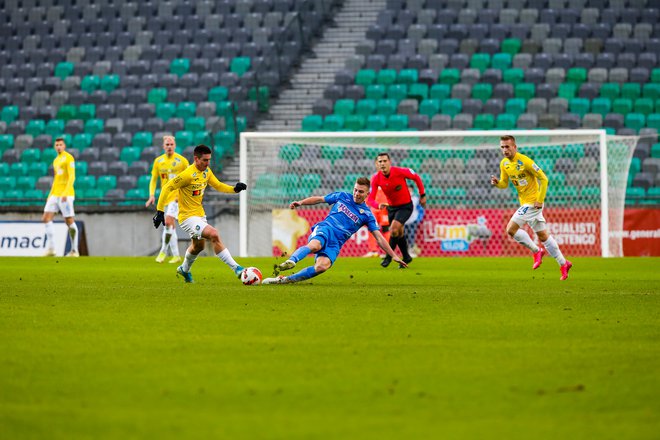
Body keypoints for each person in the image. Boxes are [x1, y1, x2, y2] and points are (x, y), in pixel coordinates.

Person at [262, 177, 407, 285]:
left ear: (367, 194)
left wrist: (393, 255)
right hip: (326, 228)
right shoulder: (342, 196)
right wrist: (300, 202)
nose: (356, 193)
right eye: (355, 190)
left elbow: (379, 237)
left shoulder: (367, 215)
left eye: (361, 192)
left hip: (336, 243)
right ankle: (291, 261)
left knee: (321, 266)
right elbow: (319, 199)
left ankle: (285, 280)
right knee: (315, 245)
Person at [152, 144, 247, 283]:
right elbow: (167, 187)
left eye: (209, 160)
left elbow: (218, 185)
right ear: (196, 159)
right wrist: (160, 211)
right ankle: (237, 268)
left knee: (198, 247)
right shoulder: (187, 175)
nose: (208, 163)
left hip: (199, 215)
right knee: (214, 234)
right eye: (205, 160)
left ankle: (184, 269)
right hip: (187, 217)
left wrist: (234, 189)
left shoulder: (206, 172)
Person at [490, 135, 572, 280]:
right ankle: (563, 263)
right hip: (525, 203)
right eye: (502, 147)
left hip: (533, 202)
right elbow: (504, 184)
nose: (504, 150)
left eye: (507, 146)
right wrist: (497, 183)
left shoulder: (525, 161)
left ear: (515, 147)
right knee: (543, 236)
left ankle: (536, 251)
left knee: (510, 229)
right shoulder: (504, 164)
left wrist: (540, 200)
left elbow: (544, 179)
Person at [367, 152, 426, 268]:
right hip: (392, 208)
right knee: (399, 233)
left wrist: (422, 195)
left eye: (385, 161)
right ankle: (407, 257)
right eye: (380, 161)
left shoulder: (399, 171)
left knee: (393, 229)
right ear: (376, 164)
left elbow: (416, 177)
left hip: (406, 206)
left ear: (389, 162)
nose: (382, 164)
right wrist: (378, 205)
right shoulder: (376, 179)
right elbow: (370, 199)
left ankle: (389, 257)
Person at [145, 135, 189, 264]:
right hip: (164, 198)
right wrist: (152, 195)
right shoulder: (158, 161)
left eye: (171, 144)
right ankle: (176, 255)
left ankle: (163, 251)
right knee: (169, 226)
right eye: (167, 144)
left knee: (168, 222)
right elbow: (153, 179)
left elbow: (191, 177)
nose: (169, 146)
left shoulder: (182, 161)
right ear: (163, 146)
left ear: (175, 146)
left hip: (176, 197)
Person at [42, 137, 79, 257]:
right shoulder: (56, 160)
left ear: (64, 146)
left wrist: (66, 192)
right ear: (54, 146)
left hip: (66, 195)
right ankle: (52, 249)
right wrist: (50, 194)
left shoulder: (69, 158)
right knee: (46, 217)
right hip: (55, 194)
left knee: (69, 221)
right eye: (56, 145)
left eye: (60, 145)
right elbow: (56, 179)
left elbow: (72, 176)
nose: (58, 146)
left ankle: (74, 250)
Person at [404, 186, 425, 258]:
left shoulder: (416, 198)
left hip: (413, 219)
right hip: (404, 220)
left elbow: (420, 209)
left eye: (410, 189)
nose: (409, 190)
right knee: (405, 235)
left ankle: (411, 250)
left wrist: (419, 219)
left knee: (412, 235)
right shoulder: (402, 198)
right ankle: (406, 251)